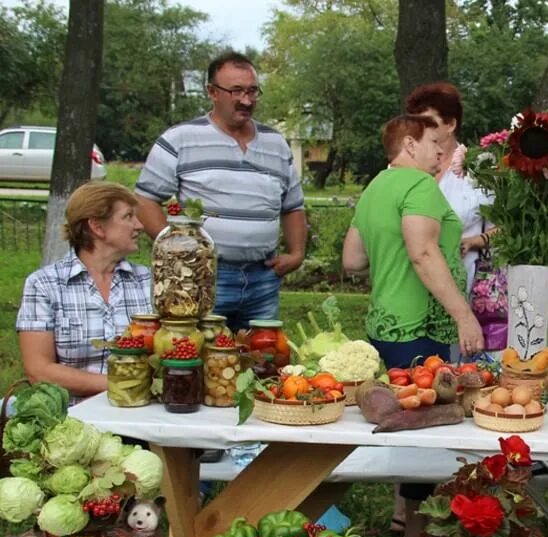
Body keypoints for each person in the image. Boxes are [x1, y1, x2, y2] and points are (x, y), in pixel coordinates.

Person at [134, 51, 307, 331]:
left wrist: (297, 253)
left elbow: (293, 206)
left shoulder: (276, 143)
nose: (246, 100)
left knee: (262, 363)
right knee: (202, 361)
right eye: (236, 91)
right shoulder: (180, 139)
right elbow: (145, 200)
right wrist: (180, 251)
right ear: (212, 92)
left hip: (263, 277)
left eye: (252, 91)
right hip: (205, 278)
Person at [342, 114, 484, 368]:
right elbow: (423, 253)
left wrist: (393, 262)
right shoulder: (420, 184)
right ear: (410, 145)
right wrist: (464, 317)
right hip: (420, 330)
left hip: (383, 326)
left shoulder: (375, 186)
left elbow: (352, 261)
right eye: (433, 142)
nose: (441, 151)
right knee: (424, 405)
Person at [16, 181, 151, 402]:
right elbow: (39, 371)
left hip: (141, 411)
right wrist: (120, 384)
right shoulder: (44, 285)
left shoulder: (148, 281)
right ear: (97, 227)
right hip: (74, 418)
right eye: (128, 217)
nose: (139, 225)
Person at [404, 82, 496, 295]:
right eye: (415, 123)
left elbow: (504, 229)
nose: (419, 129)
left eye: (427, 122)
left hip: (464, 285)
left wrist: (473, 242)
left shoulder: (481, 169)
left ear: (451, 124)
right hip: (410, 284)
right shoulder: (402, 166)